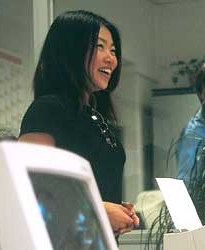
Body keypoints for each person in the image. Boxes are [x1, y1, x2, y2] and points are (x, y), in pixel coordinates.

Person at [19, 10, 138, 235]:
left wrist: (117, 212)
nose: (111, 58)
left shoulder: (96, 117)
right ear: (70, 51)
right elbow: (31, 190)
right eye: (100, 46)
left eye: (113, 50)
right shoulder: (47, 110)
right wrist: (100, 210)